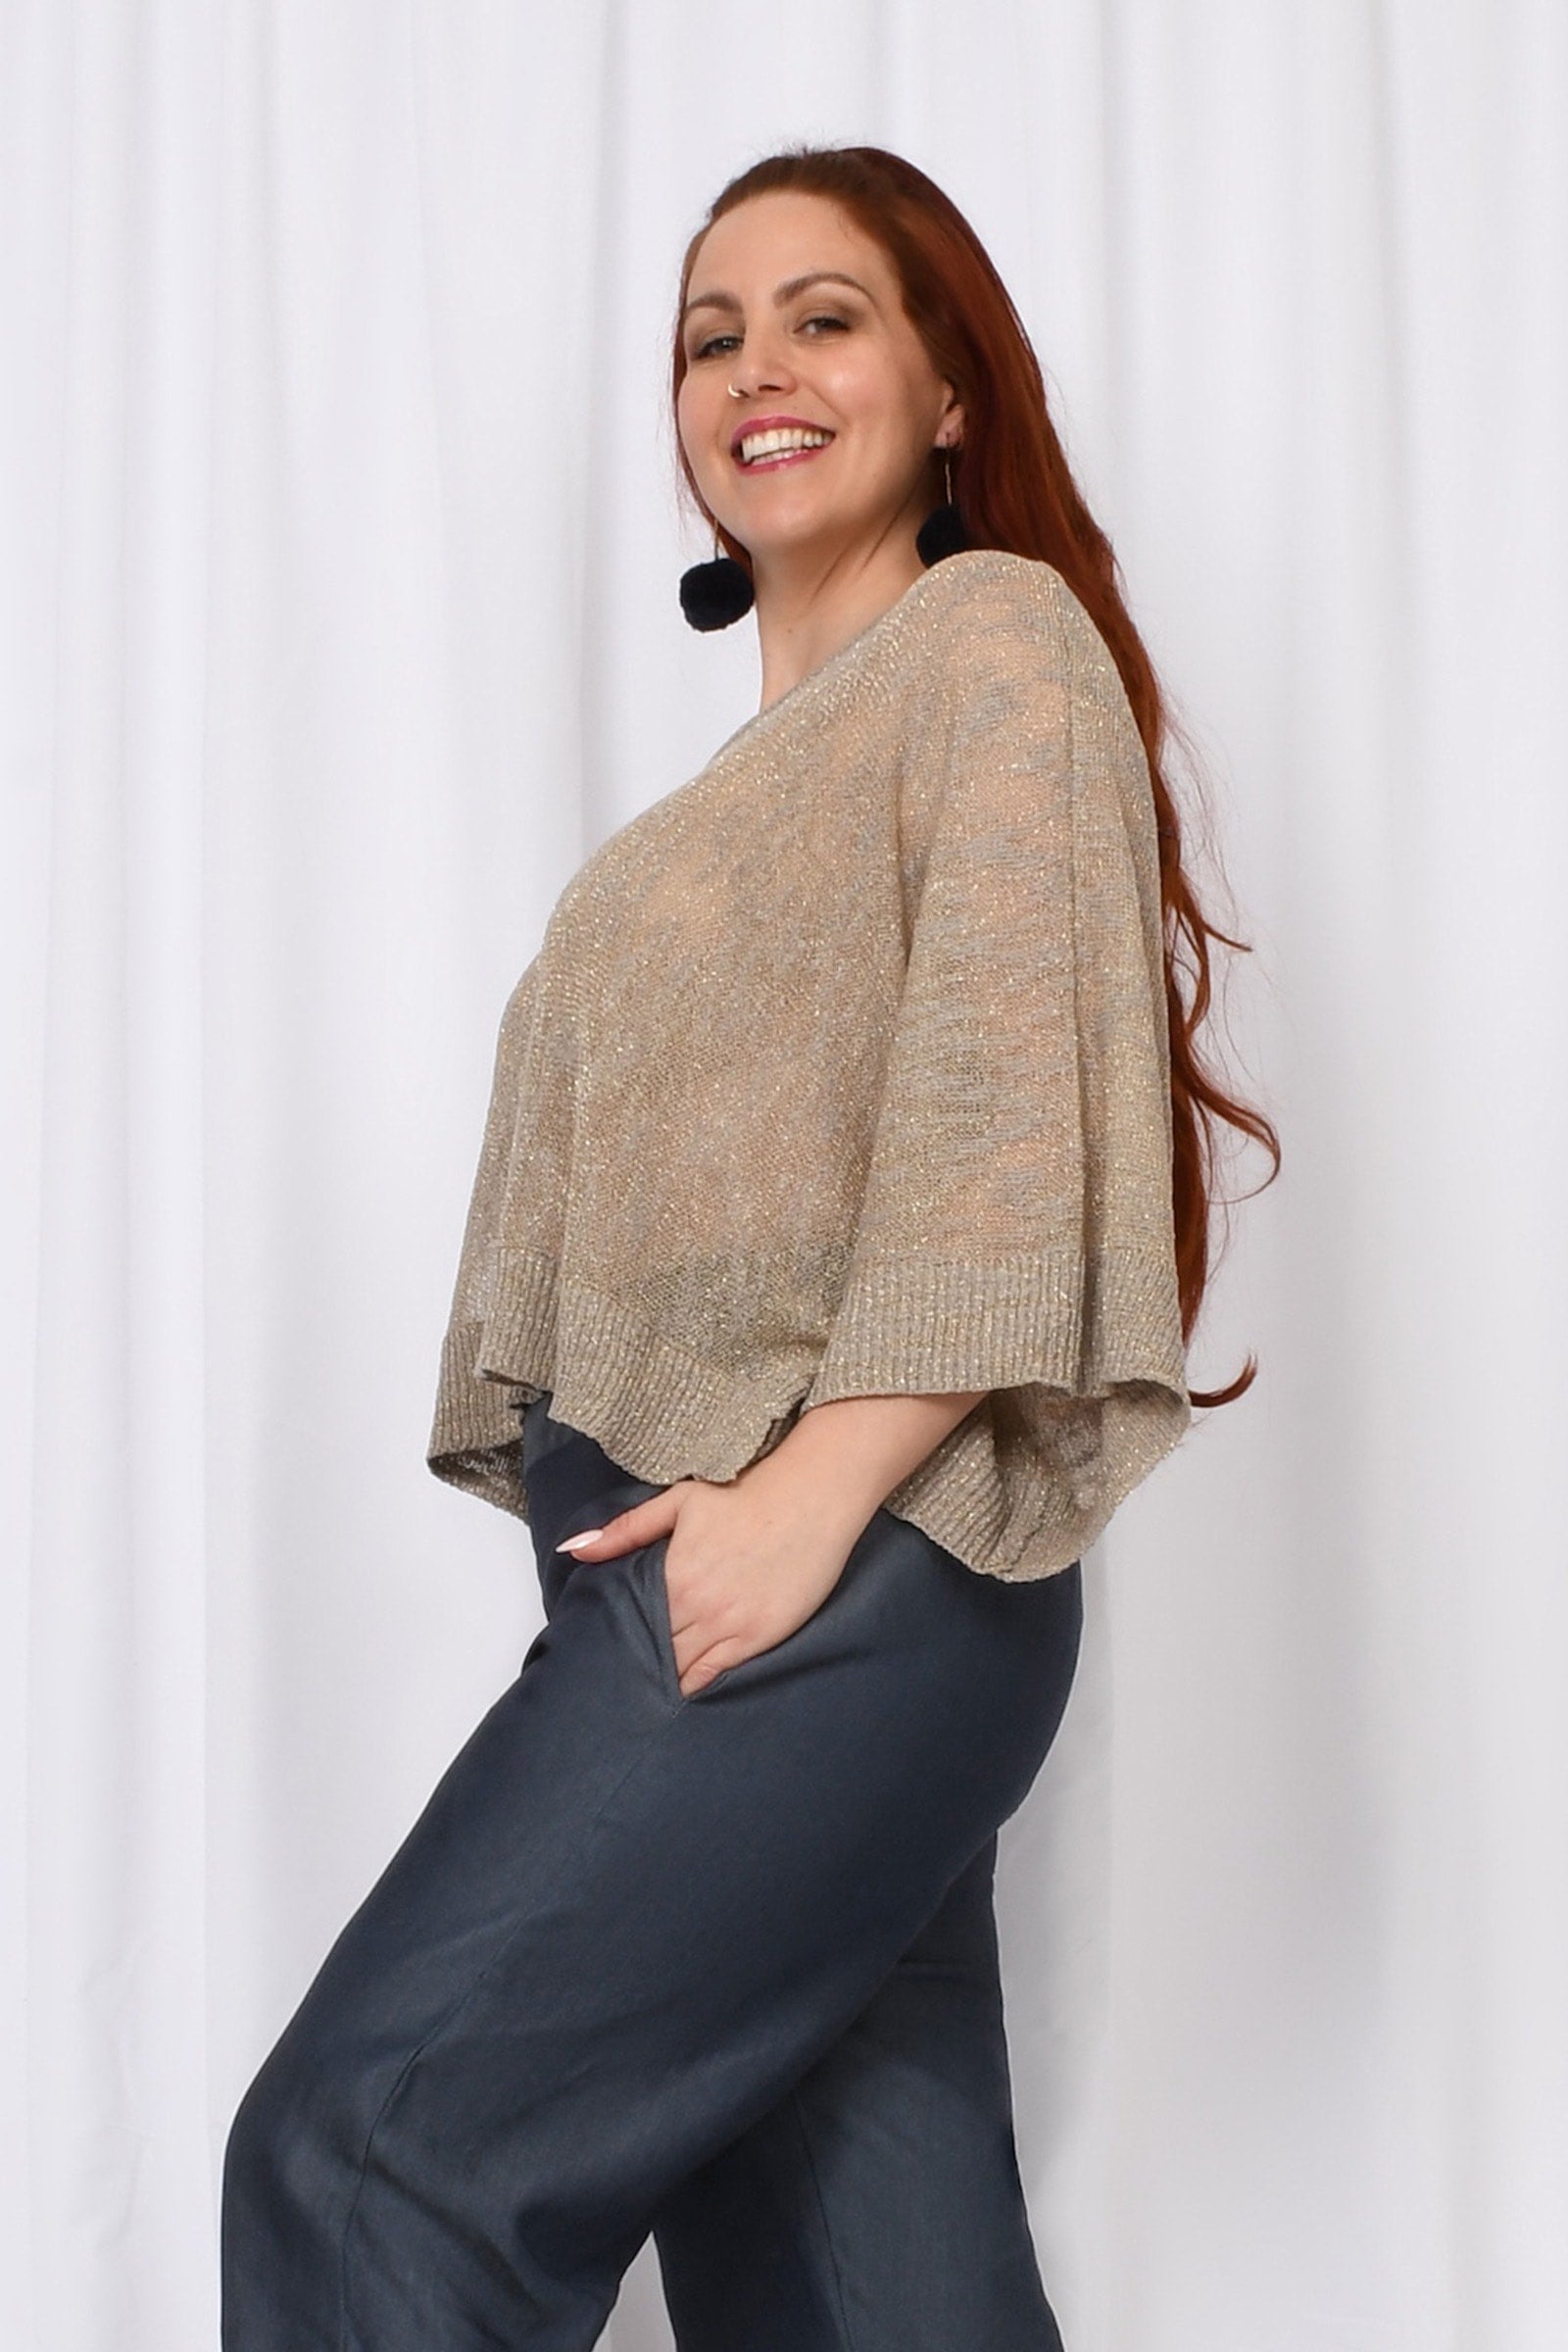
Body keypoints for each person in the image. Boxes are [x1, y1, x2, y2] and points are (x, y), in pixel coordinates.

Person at [220, 143, 1278, 2351]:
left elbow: (1005, 1105)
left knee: (366, 2159)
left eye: (823, 317)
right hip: (759, 1579)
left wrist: (806, 1502)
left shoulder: (994, 645)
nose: (754, 370)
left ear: (949, 390)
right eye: (712, 337)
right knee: (870, 2300)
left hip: (841, 1555)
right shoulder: (698, 818)